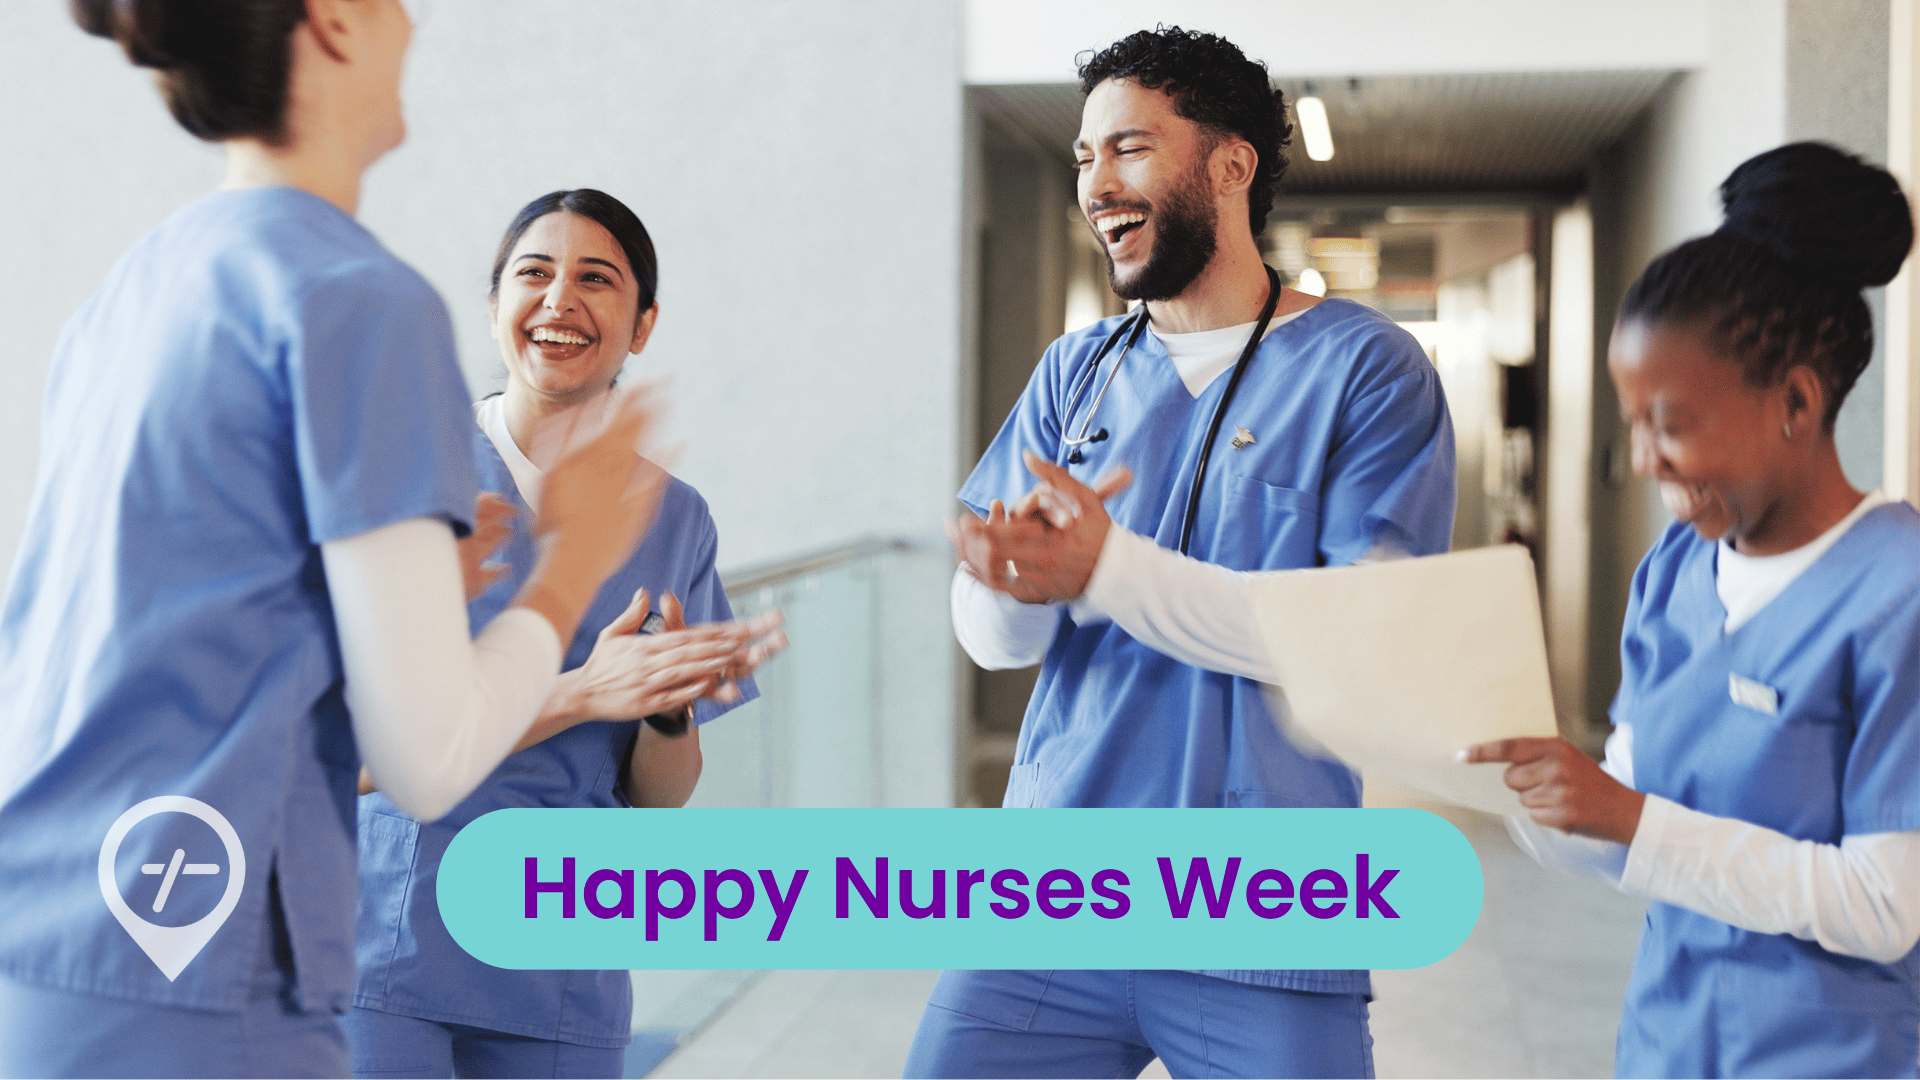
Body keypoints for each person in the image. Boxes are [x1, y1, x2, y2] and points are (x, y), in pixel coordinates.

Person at [0, 4, 667, 1077]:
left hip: (51, 944)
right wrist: (573, 559)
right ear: (336, 22)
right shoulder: (359, 298)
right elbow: (429, 758)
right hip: (212, 968)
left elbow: (145, 623)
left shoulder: (133, 286)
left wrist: (351, 608)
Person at [911, 27, 1455, 1080]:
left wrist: (1106, 570)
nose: (1096, 184)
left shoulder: (1366, 370)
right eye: (1082, 158)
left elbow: (1358, 645)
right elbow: (994, 644)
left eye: (1128, 149)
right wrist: (1007, 583)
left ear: (1231, 164)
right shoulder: (1079, 371)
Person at [1466, 142, 1920, 1078]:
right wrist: (1532, 798)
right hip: (1672, 1045)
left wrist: (1630, 820)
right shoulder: (1676, 570)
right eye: (1633, 422)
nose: (1643, 461)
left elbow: (1886, 905)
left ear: (1794, 400)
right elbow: (1633, 810)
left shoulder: (1899, 594)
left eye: (1671, 424)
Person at [345, 189, 785, 1080]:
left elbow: (663, 794)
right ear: (496, 305)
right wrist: (586, 690)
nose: (559, 300)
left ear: (643, 323)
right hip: (387, 943)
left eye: (597, 278)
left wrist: (664, 711)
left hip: (561, 961)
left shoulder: (675, 519)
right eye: (533, 274)